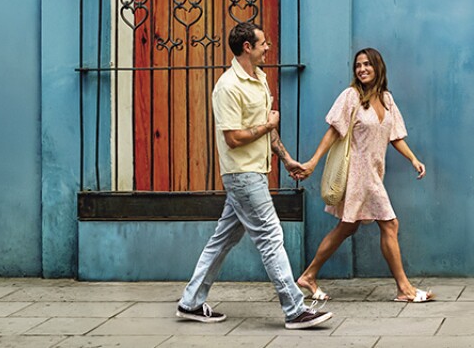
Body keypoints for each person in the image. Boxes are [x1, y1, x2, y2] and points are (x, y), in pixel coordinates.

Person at [176, 21, 333, 329]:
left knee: (222, 240)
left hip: (255, 172)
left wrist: (286, 159)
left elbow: (265, 129)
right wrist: (268, 125)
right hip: (242, 174)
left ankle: (190, 302)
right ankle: (295, 310)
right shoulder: (228, 87)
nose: (268, 48)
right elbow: (234, 138)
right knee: (271, 237)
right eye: (263, 43)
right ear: (247, 47)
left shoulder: (259, 78)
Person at [291, 47, 435, 303]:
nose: (362, 69)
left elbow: (395, 136)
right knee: (390, 224)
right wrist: (313, 162)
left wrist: (414, 159)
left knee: (347, 226)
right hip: (358, 174)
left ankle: (308, 275)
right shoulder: (351, 96)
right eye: (358, 65)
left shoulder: (387, 99)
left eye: (367, 64)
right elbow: (333, 131)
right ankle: (404, 288)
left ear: (378, 67)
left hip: (374, 172)